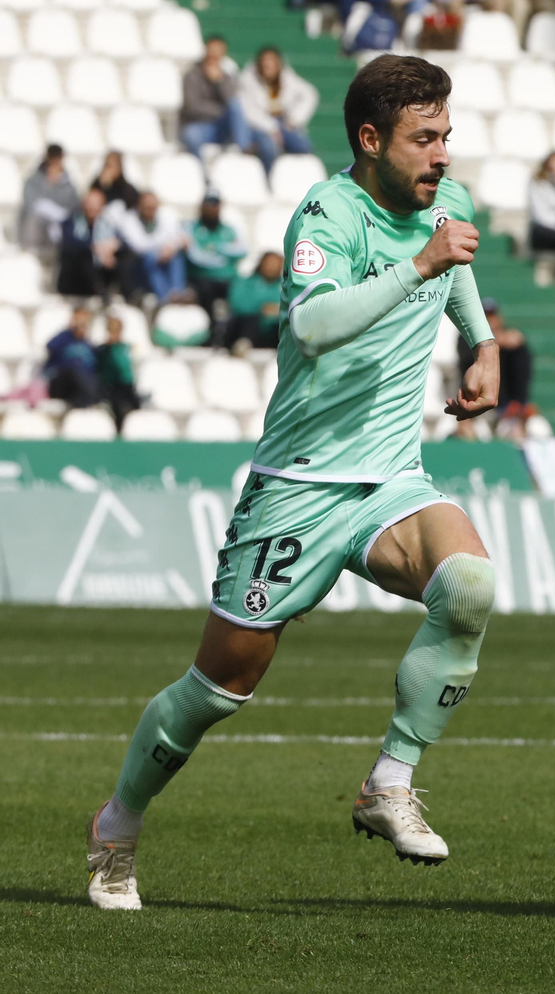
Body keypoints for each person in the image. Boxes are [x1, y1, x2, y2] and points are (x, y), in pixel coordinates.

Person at [84, 54, 503, 911]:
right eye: (424, 139)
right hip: (299, 487)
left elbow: (457, 263)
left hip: (391, 479)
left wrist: (482, 342)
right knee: (217, 691)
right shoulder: (326, 212)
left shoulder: (444, 203)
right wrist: (419, 268)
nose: (441, 155)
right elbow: (312, 325)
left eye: (446, 137)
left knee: (469, 586)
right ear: (371, 139)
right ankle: (118, 825)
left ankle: (389, 783)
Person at [457, 298, 535, 437]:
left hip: (506, 409)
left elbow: (522, 370)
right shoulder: (465, 338)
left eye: (492, 316)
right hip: (474, 408)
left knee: (532, 428)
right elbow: (466, 356)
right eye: (486, 317)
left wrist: (519, 405)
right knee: (468, 432)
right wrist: (494, 341)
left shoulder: (512, 342)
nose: (490, 321)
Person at [237, 46, 320, 172]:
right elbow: (249, 111)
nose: (268, 67)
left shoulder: (287, 78)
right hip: (258, 126)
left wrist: (294, 119)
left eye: (272, 63)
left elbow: (310, 94)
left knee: (302, 145)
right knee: (268, 148)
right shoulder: (247, 80)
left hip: (283, 123)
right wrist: (272, 128)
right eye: (265, 64)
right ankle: (267, 177)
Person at [178, 35, 252, 162]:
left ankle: (244, 150)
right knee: (191, 136)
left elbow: (232, 103)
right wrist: (220, 111)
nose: (215, 54)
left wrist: (219, 82)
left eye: (219, 51)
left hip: (221, 127)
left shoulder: (226, 77)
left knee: (237, 108)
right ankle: (201, 171)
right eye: (212, 50)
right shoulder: (191, 75)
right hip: (199, 125)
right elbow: (192, 107)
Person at [117, 191, 187, 305]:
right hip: (139, 266)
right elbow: (138, 245)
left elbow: (180, 237)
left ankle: (177, 294)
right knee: (151, 258)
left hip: (164, 256)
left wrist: (170, 247)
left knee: (176, 257)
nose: (151, 210)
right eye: (147, 207)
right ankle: (164, 299)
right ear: (139, 206)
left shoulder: (166, 216)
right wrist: (163, 249)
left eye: (153, 207)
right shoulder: (128, 220)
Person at [184, 194, 250, 310]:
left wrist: (217, 247)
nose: (212, 210)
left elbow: (243, 251)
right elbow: (196, 257)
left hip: (229, 278)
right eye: (209, 206)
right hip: (202, 277)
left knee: (243, 289)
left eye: (216, 206)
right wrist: (226, 259)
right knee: (204, 291)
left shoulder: (229, 229)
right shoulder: (190, 228)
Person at [56, 188, 120, 299]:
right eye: (89, 204)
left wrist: (111, 249)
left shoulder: (108, 224)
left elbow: (120, 242)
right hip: (74, 277)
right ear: (83, 205)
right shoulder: (70, 222)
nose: (92, 208)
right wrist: (96, 248)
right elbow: (71, 244)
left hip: (100, 272)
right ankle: (99, 291)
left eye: (96, 204)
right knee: (84, 255)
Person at [18, 144, 78, 256]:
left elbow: (73, 207)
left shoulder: (68, 184)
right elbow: (30, 203)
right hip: (36, 231)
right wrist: (49, 184)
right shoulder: (33, 181)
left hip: (58, 230)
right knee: (37, 211)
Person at [225, 251, 284, 351]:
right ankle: (243, 345)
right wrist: (261, 308)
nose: (272, 267)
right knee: (251, 321)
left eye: (276, 264)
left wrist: (279, 310)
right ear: (261, 263)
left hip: (273, 328)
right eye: (269, 263)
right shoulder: (243, 282)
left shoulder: (284, 286)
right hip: (248, 324)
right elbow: (236, 304)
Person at [44, 307, 100, 409]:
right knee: (75, 371)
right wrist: (70, 331)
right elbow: (50, 346)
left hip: (83, 386)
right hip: (61, 383)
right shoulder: (64, 338)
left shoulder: (88, 346)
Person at [95, 315, 141, 433]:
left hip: (126, 387)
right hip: (108, 388)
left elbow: (126, 372)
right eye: (111, 330)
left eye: (116, 330)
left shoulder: (127, 348)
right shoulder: (102, 351)